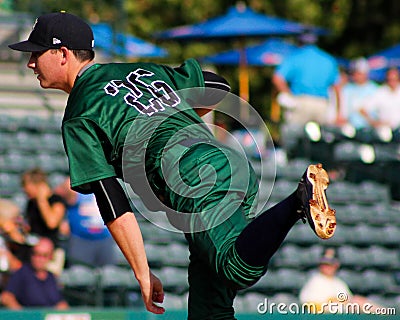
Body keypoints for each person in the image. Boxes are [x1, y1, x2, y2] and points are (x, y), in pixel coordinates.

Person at [8, 12, 337, 319]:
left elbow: (112, 202)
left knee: (235, 267)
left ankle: (297, 201)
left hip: (192, 177)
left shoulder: (81, 113)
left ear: (62, 54)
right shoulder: (139, 71)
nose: (31, 63)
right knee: (210, 307)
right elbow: (216, 85)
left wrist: (142, 272)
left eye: (37, 53)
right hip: (229, 162)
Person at [272, 32, 342, 134]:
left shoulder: (295, 57)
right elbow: (337, 87)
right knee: (322, 140)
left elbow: (277, 78)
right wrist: (339, 112)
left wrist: (288, 94)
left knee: (294, 138)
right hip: (322, 104)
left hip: (300, 102)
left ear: (300, 42)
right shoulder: (328, 59)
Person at [54, 177, 117, 267]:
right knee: (80, 273)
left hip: (105, 239)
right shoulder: (78, 186)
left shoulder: (107, 185)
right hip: (81, 239)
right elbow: (60, 191)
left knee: (108, 274)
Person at [299, 248, 381, 314]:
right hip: (326, 315)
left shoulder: (339, 283)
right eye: (325, 263)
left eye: (330, 264)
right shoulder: (315, 281)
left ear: (336, 265)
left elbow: (350, 301)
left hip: (342, 313)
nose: (327, 267)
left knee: (359, 301)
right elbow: (309, 304)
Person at [1, 237, 69, 309]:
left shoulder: (51, 277)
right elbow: (6, 297)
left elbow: (60, 302)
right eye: (35, 254)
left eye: (44, 255)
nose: (39, 258)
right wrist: (22, 315)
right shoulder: (22, 274)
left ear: (50, 257)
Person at [21, 168, 67, 276]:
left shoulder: (56, 200)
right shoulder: (31, 203)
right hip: (33, 251)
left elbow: (52, 222)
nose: (25, 190)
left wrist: (42, 199)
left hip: (51, 253)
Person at [341, 57, 379, 129]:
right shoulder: (347, 89)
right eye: (354, 73)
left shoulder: (374, 89)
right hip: (350, 128)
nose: (356, 76)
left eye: (359, 73)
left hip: (370, 129)